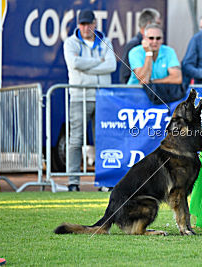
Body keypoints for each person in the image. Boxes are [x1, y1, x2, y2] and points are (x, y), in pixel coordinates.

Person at [63, 9, 116, 191]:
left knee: (103, 140)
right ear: (78, 25)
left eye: (89, 24)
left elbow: (112, 65)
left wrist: (87, 66)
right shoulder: (70, 42)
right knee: (75, 140)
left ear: (95, 24)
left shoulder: (105, 41)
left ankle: (104, 182)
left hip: (103, 97)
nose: (86, 28)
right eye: (82, 24)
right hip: (80, 96)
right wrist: (98, 62)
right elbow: (74, 64)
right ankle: (73, 182)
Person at [119, 8, 161, 84]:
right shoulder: (134, 45)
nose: (159, 27)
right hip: (135, 91)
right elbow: (125, 73)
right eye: (157, 24)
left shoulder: (161, 46)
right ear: (149, 24)